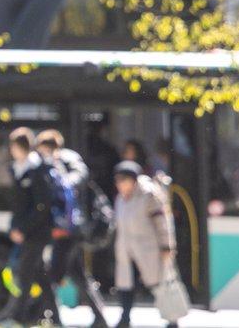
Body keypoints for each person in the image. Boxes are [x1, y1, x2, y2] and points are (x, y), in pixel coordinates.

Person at [37, 127, 113, 328]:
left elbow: (79, 176)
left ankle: (45, 315)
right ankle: (99, 317)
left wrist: (61, 181)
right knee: (78, 275)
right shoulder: (55, 162)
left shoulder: (66, 159)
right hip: (68, 228)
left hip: (69, 229)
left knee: (53, 274)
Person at [0, 125, 60, 324]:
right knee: (40, 275)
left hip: (37, 232)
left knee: (25, 275)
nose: (11, 150)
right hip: (28, 232)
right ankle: (57, 317)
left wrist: (23, 229)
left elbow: (41, 207)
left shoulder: (36, 170)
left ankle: (19, 318)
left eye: (13, 146)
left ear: (19, 147)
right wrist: (14, 228)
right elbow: (19, 206)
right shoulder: (19, 169)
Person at [112, 159, 180, 328]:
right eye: (118, 180)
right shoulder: (120, 199)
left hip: (149, 250)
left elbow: (163, 223)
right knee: (126, 286)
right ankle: (125, 318)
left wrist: (167, 246)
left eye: (123, 180)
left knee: (159, 285)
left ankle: (172, 318)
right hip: (127, 251)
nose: (120, 184)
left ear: (133, 180)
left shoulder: (149, 195)